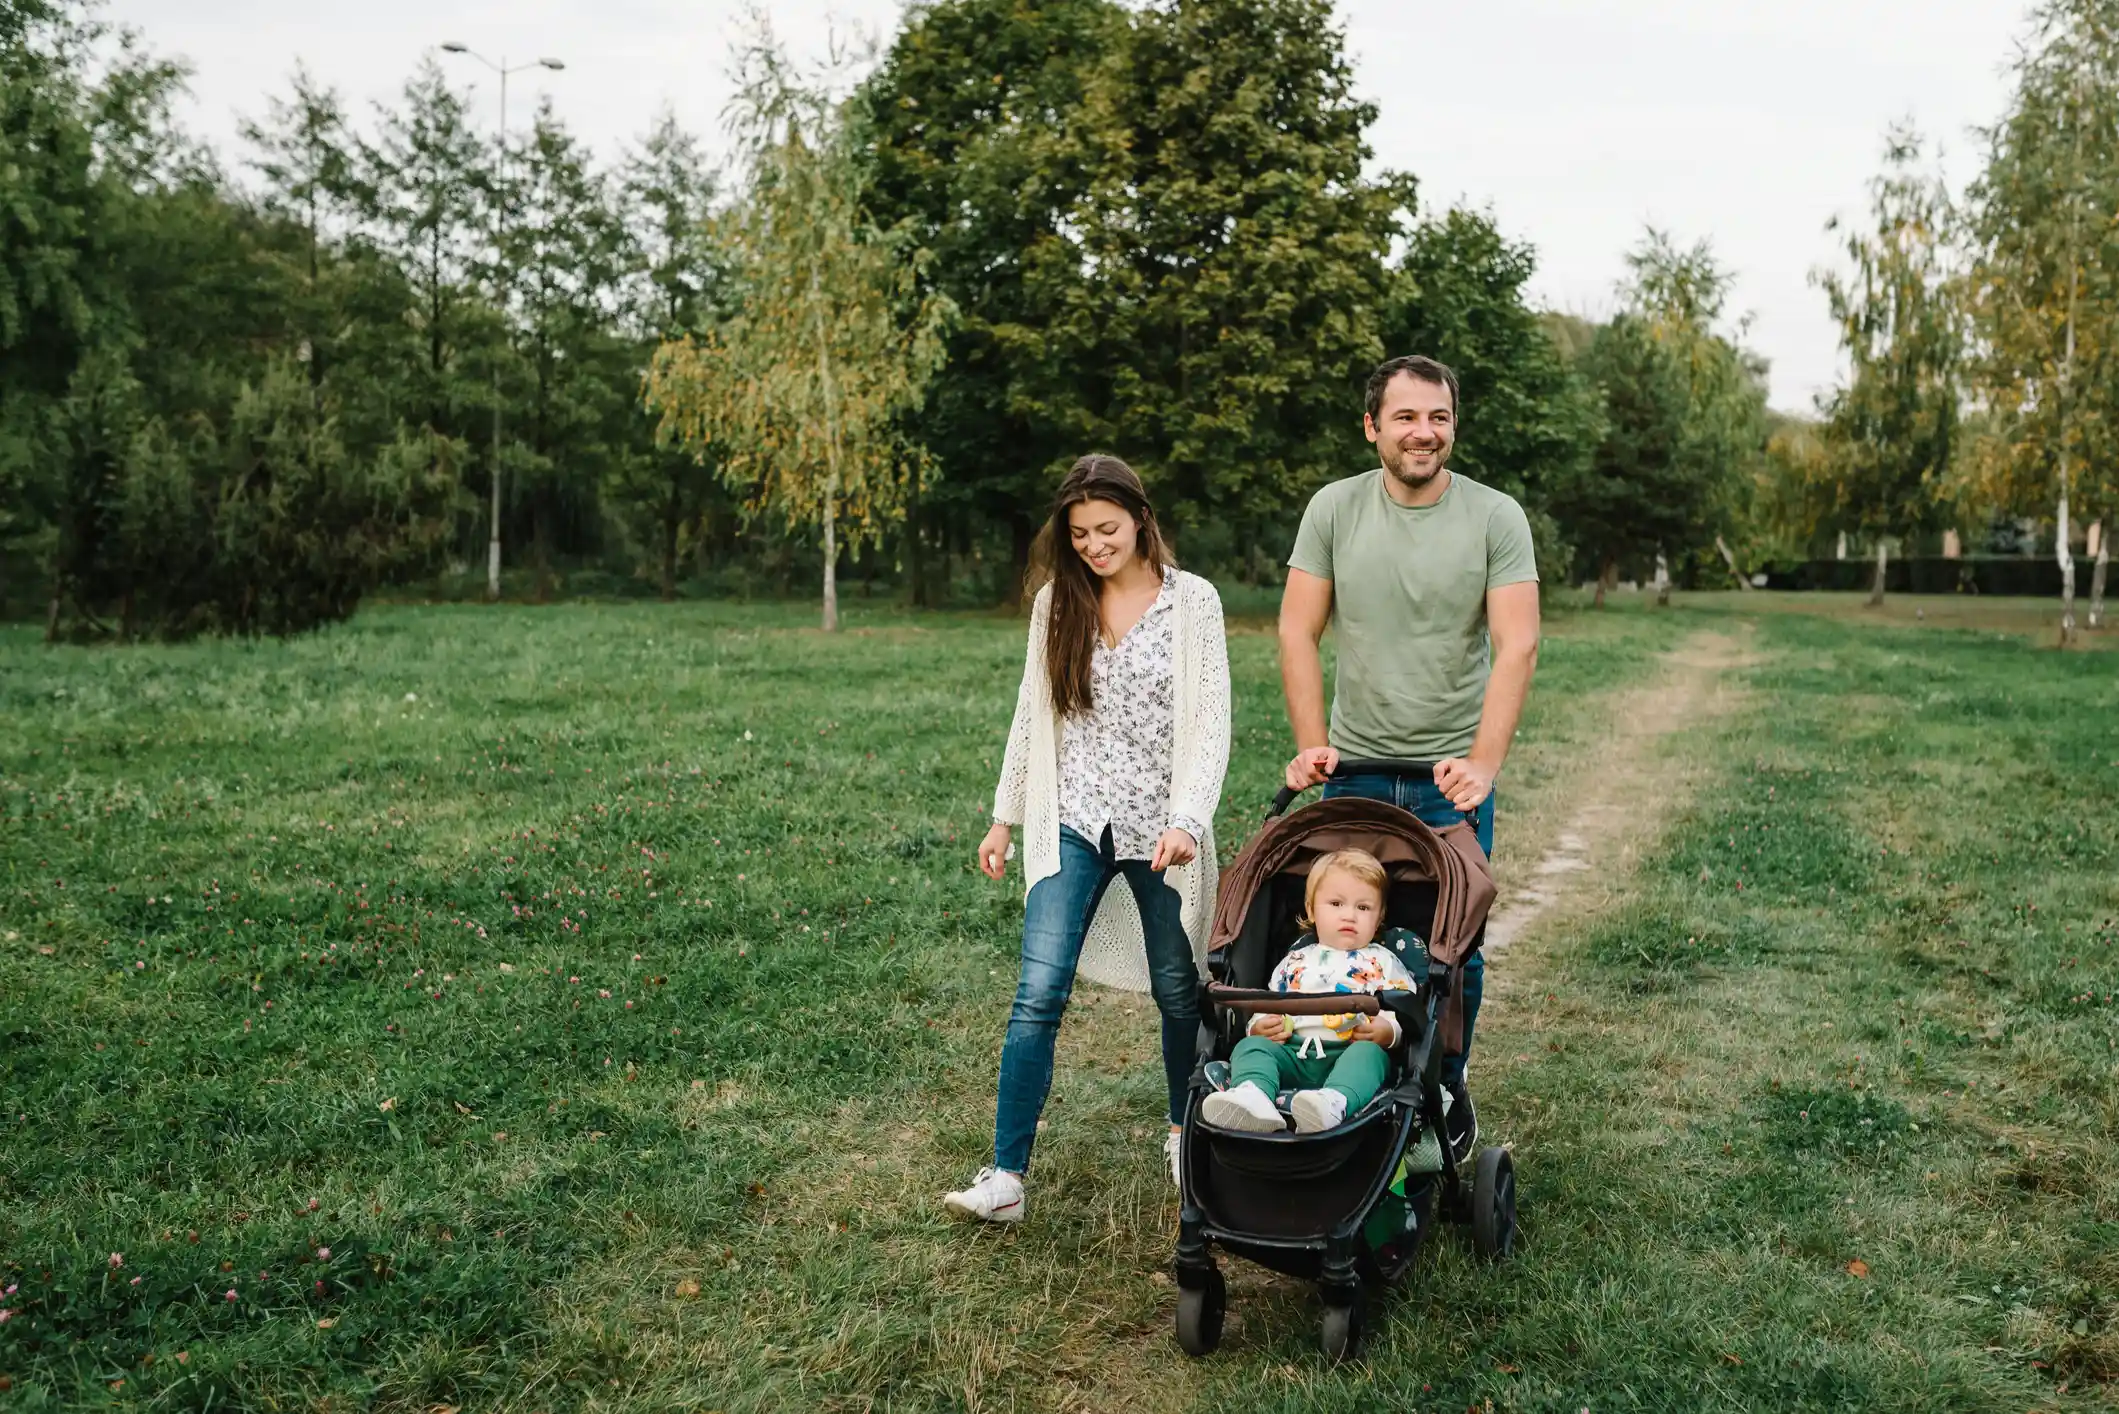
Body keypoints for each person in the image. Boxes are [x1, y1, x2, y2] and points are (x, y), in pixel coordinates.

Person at [945, 454, 1232, 1225]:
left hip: (1160, 830)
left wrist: (1187, 819)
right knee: (1038, 992)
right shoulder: (1056, 604)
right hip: (1070, 819)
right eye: (1079, 534)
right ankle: (1006, 1176)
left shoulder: (1192, 604)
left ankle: (1185, 1133)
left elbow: (1210, 725)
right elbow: (1029, 712)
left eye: (1107, 529)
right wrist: (1005, 814)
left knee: (1179, 990)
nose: (1094, 546)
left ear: (1141, 520)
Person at [1279, 354, 1540, 1161]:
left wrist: (1483, 765)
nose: (1423, 432)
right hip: (1352, 775)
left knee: (1452, 944)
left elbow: (1517, 640)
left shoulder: (1496, 517)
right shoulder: (1333, 509)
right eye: (1405, 417)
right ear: (1372, 426)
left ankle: (1442, 1089)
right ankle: (1318, 1080)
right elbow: (1295, 628)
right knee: (1339, 934)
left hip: (1445, 780)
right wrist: (1310, 741)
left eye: (1438, 417)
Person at [1202, 849, 1419, 1134]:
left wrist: (1389, 1031)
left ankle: (1332, 1103)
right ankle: (1253, 1096)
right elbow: (1270, 1002)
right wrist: (1260, 1026)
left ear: (1379, 918)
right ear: (1312, 910)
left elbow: (1408, 1009)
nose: (1349, 916)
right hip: (1292, 1052)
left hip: (1348, 1053)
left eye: (1363, 908)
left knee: (1369, 1055)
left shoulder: (1384, 961)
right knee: (1251, 1047)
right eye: (1336, 903)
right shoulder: (1294, 960)